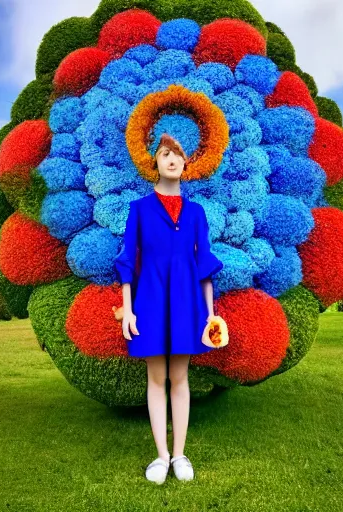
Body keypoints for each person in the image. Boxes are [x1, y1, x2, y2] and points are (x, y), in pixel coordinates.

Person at [114, 133, 224, 484]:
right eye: (165, 154)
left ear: (185, 163)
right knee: (156, 378)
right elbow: (128, 262)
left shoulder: (196, 213)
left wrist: (210, 314)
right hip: (148, 302)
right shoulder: (139, 210)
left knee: (180, 378)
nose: (172, 159)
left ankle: (180, 455)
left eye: (178, 154)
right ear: (155, 163)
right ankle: (161, 456)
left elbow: (204, 264)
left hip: (187, 305)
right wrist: (127, 310)